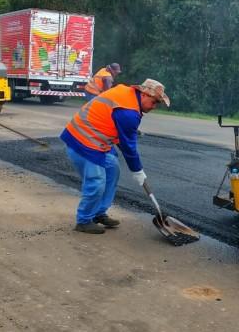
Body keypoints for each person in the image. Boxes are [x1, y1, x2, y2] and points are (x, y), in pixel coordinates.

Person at [61, 79, 170, 234]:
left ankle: (98, 212)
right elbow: (128, 147)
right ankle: (84, 221)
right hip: (83, 141)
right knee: (96, 182)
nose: (154, 107)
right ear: (144, 94)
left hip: (95, 141)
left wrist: (127, 136)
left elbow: (120, 134)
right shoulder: (129, 111)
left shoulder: (129, 96)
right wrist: (137, 170)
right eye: (154, 102)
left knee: (112, 168)